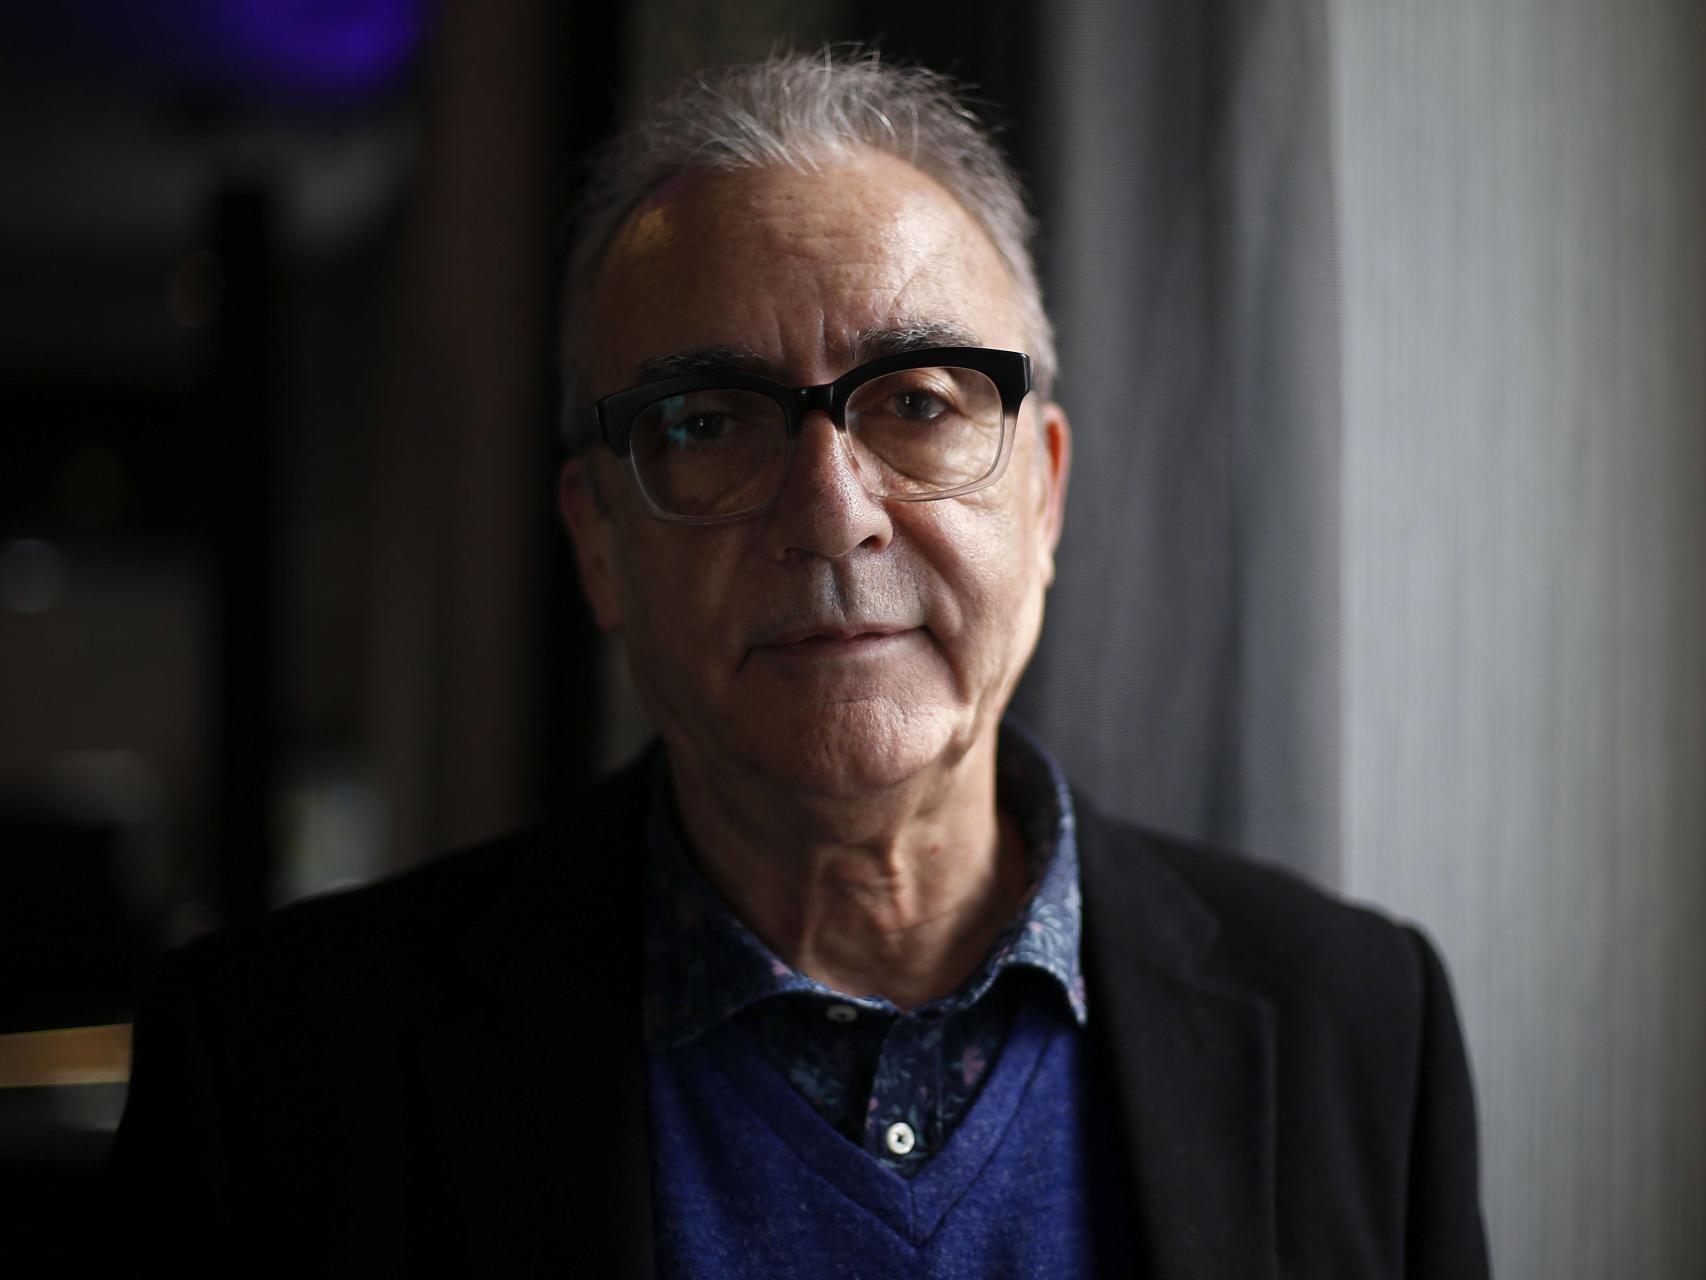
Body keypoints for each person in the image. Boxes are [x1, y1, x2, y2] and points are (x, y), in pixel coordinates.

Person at [109, 53, 1490, 1277]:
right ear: (599, 544)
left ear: (1045, 498)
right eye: (709, 424)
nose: (832, 513)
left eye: (919, 403)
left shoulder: (1360, 1027)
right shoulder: (274, 1075)